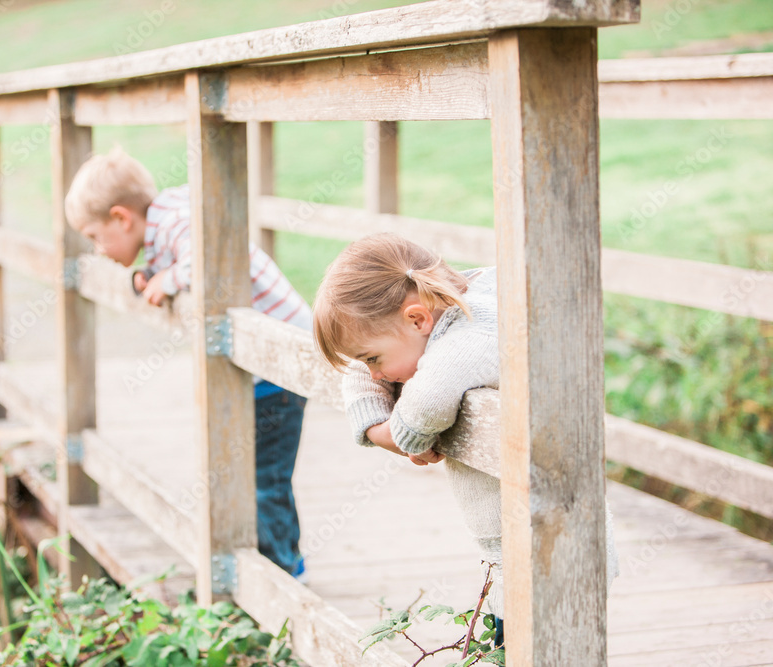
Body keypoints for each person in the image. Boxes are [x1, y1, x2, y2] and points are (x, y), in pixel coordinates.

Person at [312, 232, 618, 647]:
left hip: (552, 541)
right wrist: (372, 425)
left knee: (543, 649)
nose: (376, 375)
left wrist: (398, 437)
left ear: (418, 319)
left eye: (374, 359)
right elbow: (357, 371)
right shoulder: (445, 307)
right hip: (518, 543)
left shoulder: (474, 332)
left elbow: (427, 405)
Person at [64, 146, 311, 578]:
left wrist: (167, 278)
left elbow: (205, 257)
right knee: (247, 471)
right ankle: (273, 563)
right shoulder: (163, 222)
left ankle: (284, 574)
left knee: (263, 477)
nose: (97, 249)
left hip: (280, 368)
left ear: (122, 218)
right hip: (257, 373)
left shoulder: (180, 220)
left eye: (93, 236)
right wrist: (150, 277)